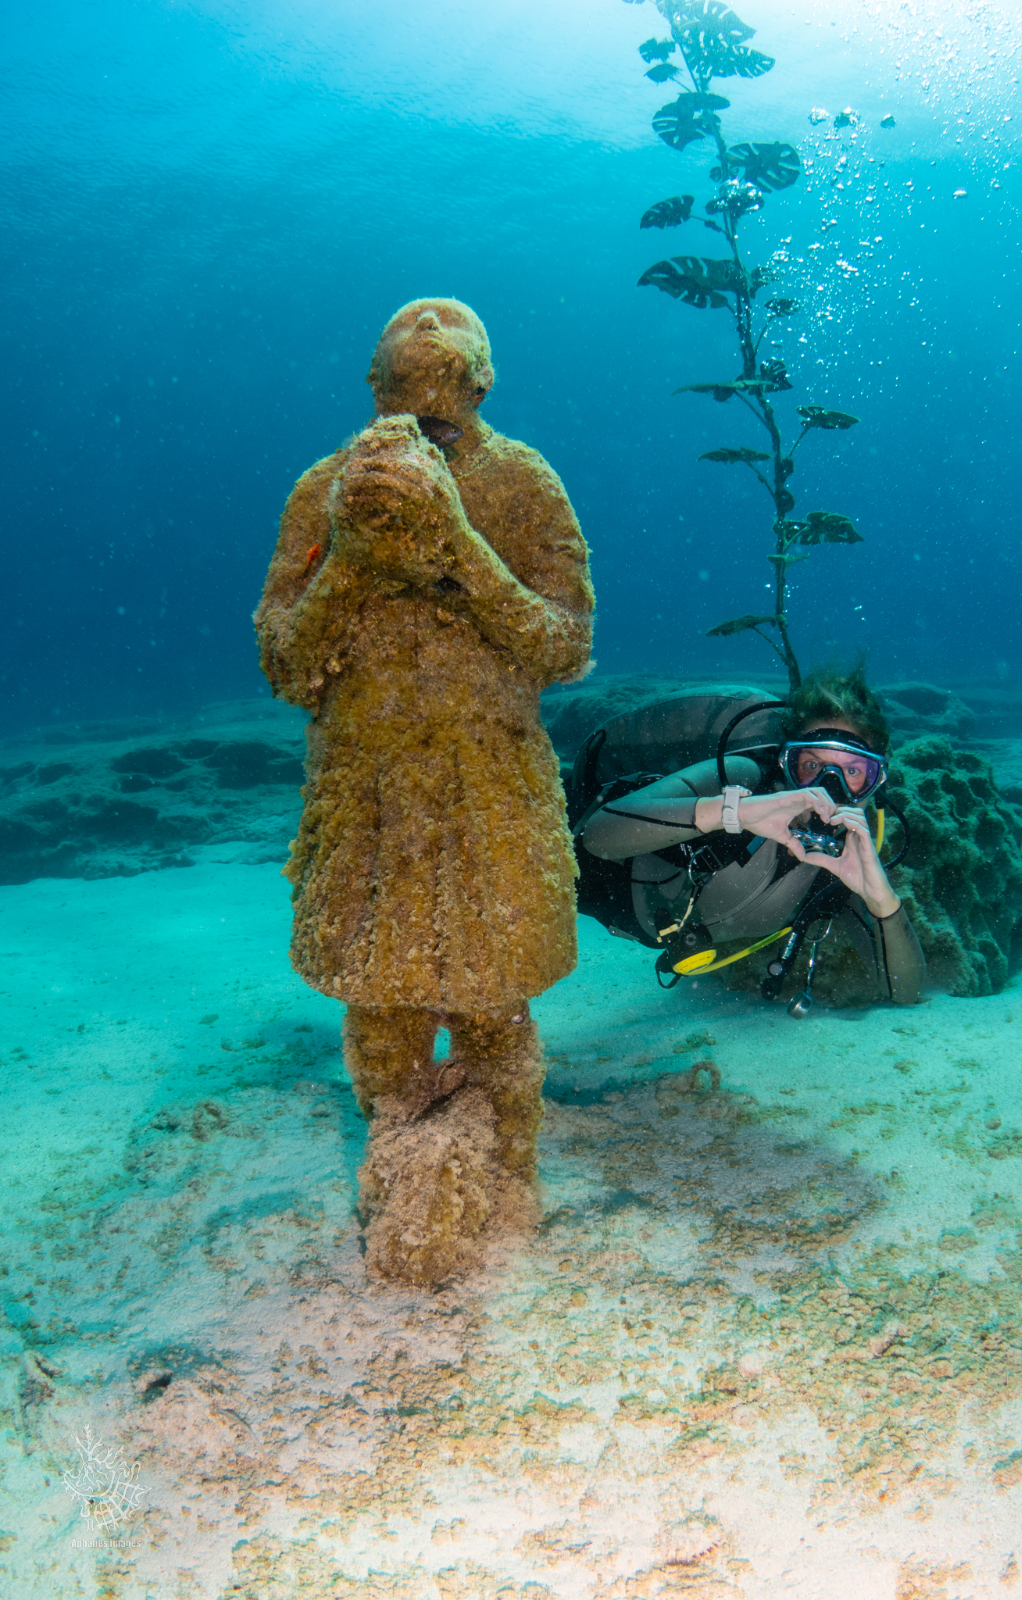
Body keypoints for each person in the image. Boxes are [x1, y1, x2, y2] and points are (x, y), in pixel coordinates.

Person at [255, 298, 594, 1284]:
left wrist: (459, 541)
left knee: (496, 1007)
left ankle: (515, 1174)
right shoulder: (329, 491)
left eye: (447, 416)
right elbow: (287, 662)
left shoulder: (524, 483)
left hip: (491, 793)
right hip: (367, 799)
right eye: (412, 410)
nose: (429, 432)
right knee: (380, 1009)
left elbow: (564, 645)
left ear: (483, 387)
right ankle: (399, 1161)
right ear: (373, 388)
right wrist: (350, 560)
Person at [576, 670, 925, 1009]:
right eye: (812, 765)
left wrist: (881, 900)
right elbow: (596, 835)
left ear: (874, 783)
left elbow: (903, 990)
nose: (827, 788)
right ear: (788, 763)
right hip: (585, 872)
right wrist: (734, 812)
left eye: (851, 772)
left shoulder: (843, 866)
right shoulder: (744, 779)